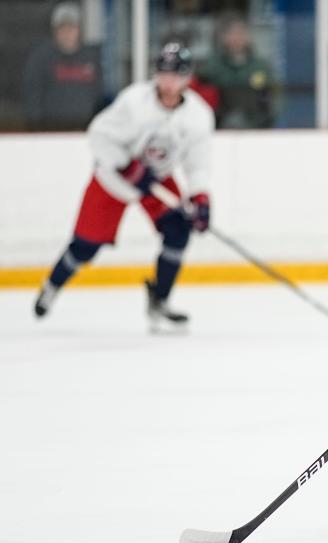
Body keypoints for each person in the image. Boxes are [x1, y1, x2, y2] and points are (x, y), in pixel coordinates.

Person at [34, 43, 214, 330]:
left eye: (175, 75)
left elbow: (198, 162)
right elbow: (99, 135)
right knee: (85, 246)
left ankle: (160, 302)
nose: (168, 81)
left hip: (157, 179)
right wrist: (126, 165)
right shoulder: (134, 102)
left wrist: (200, 198)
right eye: (163, 74)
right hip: (114, 179)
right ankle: (51, 286)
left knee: (179, 229)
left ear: (187, 78)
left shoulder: (198, 116)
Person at [22, 2, 103, 131]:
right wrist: (36, 130)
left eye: (72, 28)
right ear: (55, 31)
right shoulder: (41, 59)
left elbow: (98, 96)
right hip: (51, 133)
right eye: (62, 28)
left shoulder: (91, 59)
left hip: (84, 132)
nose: (67, 33)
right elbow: (32, 99)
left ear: (79, 30)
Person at [199, 16, 275, 129]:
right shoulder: (212, 66)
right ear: (224, 37)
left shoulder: (260, 67)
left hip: (255, 127)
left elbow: (270, 99)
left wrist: (263, 123)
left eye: (241, 34)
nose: (237, 38)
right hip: (219, 126)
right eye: (232, 34)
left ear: (249, 37)